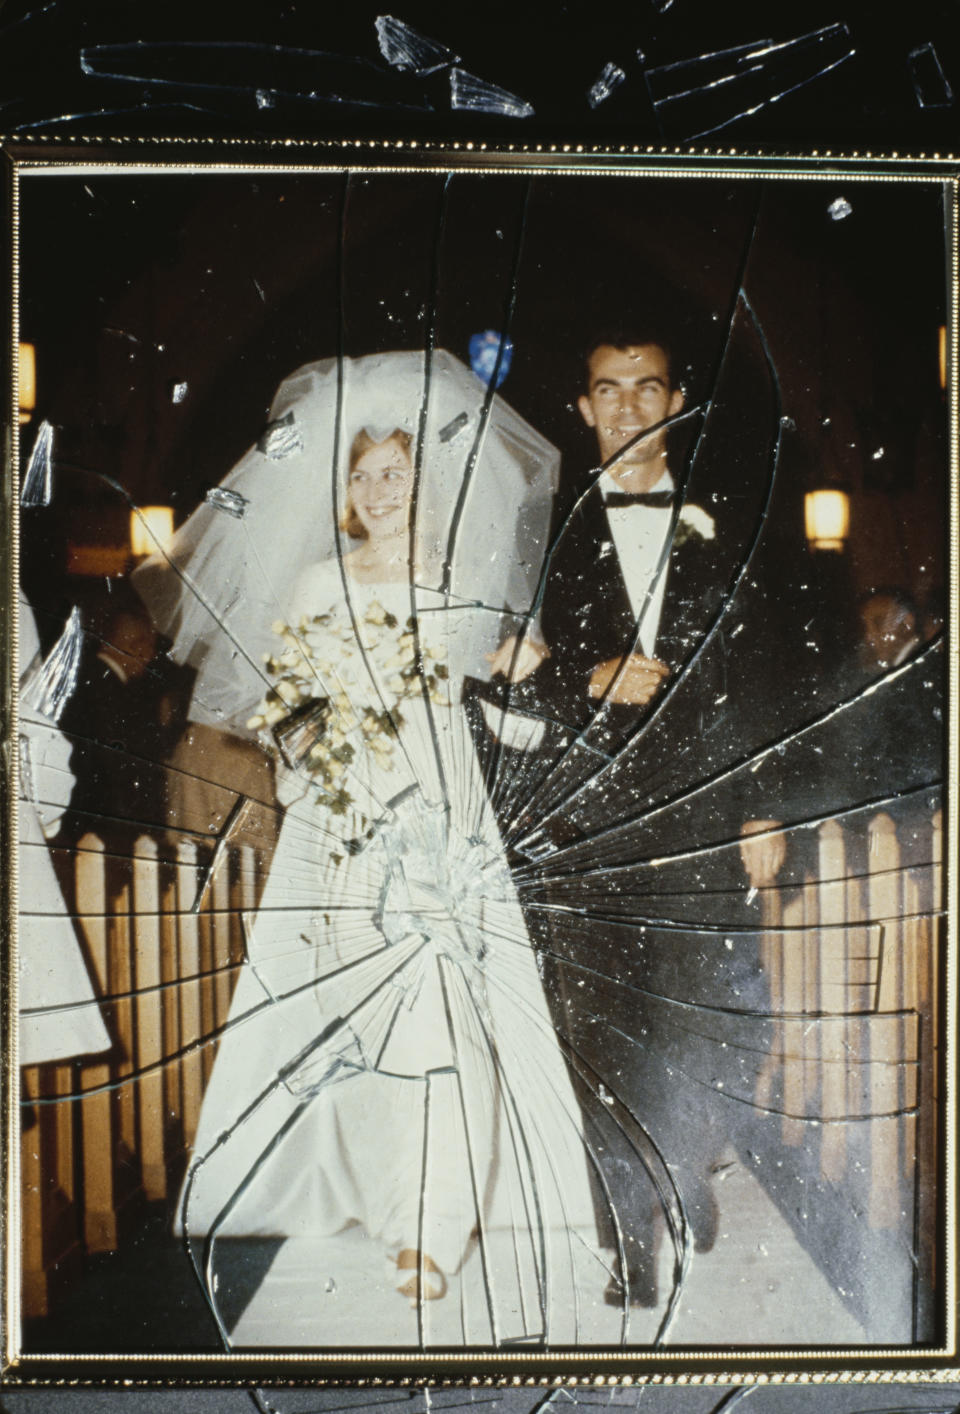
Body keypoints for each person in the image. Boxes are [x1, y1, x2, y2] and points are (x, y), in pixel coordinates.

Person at [134, 351, 606, 1344]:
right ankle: (366, 1188)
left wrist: (523, 674)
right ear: (343, 486)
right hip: (341, 821)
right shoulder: (314, 579)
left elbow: (511, 717)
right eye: (363, 472)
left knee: (444, 1016)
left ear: (425, 481)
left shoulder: (462, 580)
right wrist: (332, 769)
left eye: (395, 471)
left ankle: (430, 1225)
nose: (378, 488)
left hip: (440, 816)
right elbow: (288, 707)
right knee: (356, 1021)